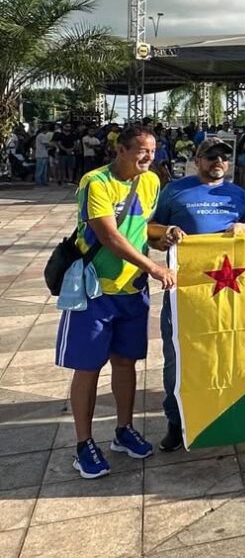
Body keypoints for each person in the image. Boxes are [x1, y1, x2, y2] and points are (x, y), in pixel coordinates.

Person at [56, 125, 178, 479]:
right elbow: (108, 234)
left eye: (153, 151)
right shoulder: (96, 182)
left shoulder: (152, 181)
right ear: (120, 150)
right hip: (95, 291)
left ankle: (123, 429)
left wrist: (164, 236)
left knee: (126, 363)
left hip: (132, 290)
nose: (148, 157)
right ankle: (83, 444)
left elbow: (144, 226)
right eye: (141, 150)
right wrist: (153, 267)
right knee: (88, 367)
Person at [151, 137, 245, 452]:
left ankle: (224, 411)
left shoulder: (237, 194)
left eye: (223, 157)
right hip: (185, 289)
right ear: (198, 160)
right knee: (178, 356)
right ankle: (175, 420)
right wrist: (165, 235)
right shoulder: (175, 191)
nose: (217, 162)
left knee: (227, 350)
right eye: (210, 157)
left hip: (229, 289)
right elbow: (151, 231)